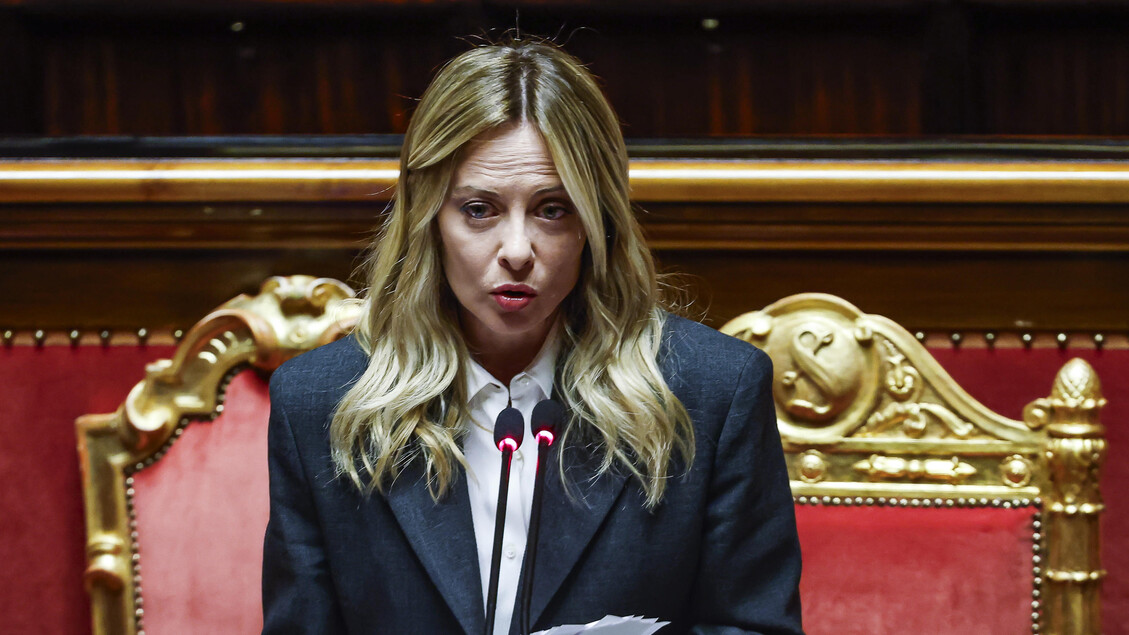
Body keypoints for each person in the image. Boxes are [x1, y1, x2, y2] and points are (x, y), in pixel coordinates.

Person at [262, 39, 802, 635]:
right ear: (429, 219)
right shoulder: (319, 403)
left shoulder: (713, 392)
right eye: (479, 209)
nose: (517, 251)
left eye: (552, 209)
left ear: (596, 223)